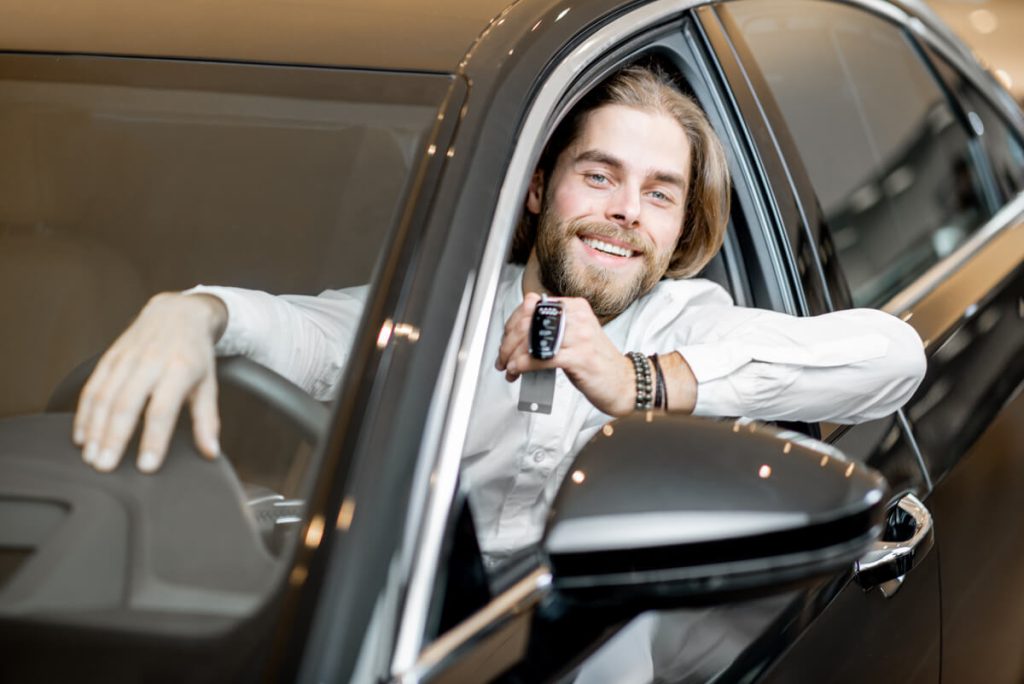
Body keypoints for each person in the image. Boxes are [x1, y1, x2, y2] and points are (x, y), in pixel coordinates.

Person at [72, 65, 926, 560]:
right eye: (600, 176)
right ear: (537, 191)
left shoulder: (686, 323)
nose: (627, 210)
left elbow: (892, 357)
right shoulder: (436, 308)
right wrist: (189, 314)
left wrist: (636, 381)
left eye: (659, 193)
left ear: (679, 229)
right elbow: (305, 334)